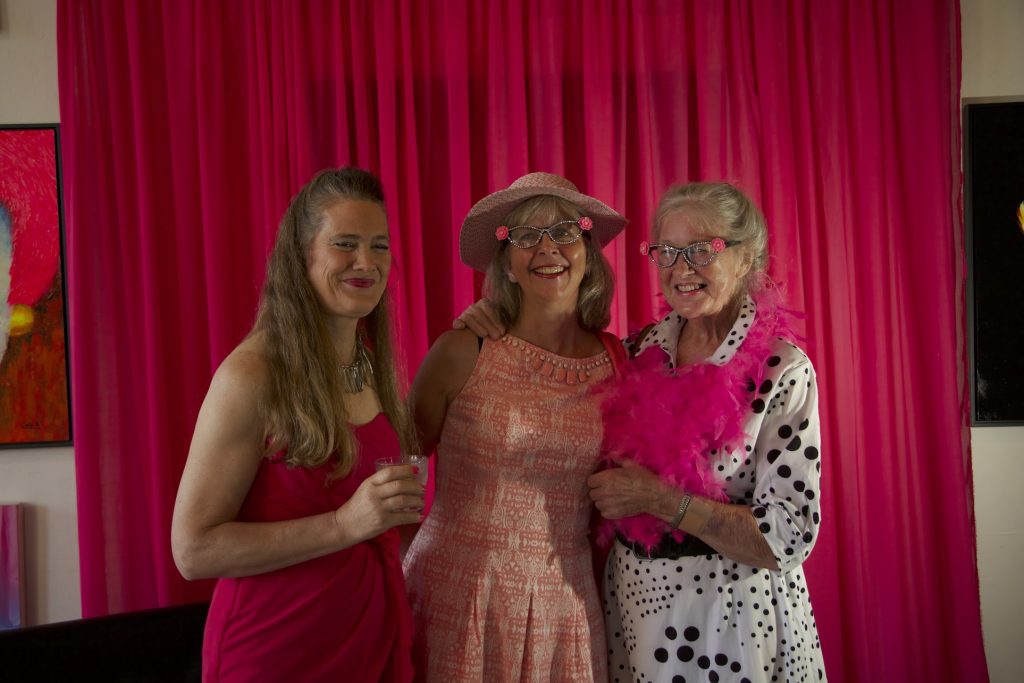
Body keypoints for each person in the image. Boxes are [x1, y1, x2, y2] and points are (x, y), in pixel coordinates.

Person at [458, 182, 826, 682]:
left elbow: (789, 535)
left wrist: (661, 500)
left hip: (732, 621)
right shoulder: (635, 352)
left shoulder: (783, 371)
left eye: (701, 249)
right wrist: (489, 320)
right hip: (635, 613)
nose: (681, 268)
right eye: (668, 252)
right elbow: (551, 375)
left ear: (745, 258)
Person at [171, 167, 423, 683]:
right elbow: (193, 550)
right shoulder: (251, 375)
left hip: (367, 649)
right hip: (276, 653)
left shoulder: (371, 363)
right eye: (345, 244)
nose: (366, 263)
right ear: (303, 255)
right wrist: (344, 525)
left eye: (379, 246)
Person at [402, 172, 628, 682]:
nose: (547, 249)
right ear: (506, 264)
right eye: (526, 237)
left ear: (588, 250)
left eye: (565, 232)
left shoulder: (618, 362)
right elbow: (401, 464)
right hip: (458, 596)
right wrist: (395, 571)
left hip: (566, 609)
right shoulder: (462, 350)